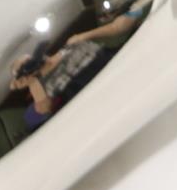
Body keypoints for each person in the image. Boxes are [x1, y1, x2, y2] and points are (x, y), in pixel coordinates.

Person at [8, 7, 141, 127]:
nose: (32, 62)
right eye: (26, 66)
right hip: (108, 91)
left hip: (122, 59)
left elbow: (115, 28)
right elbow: (43, 108)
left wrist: (135, 10)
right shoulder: (43, 88)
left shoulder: (71, 43)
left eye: (29, 59)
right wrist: (31, 82)